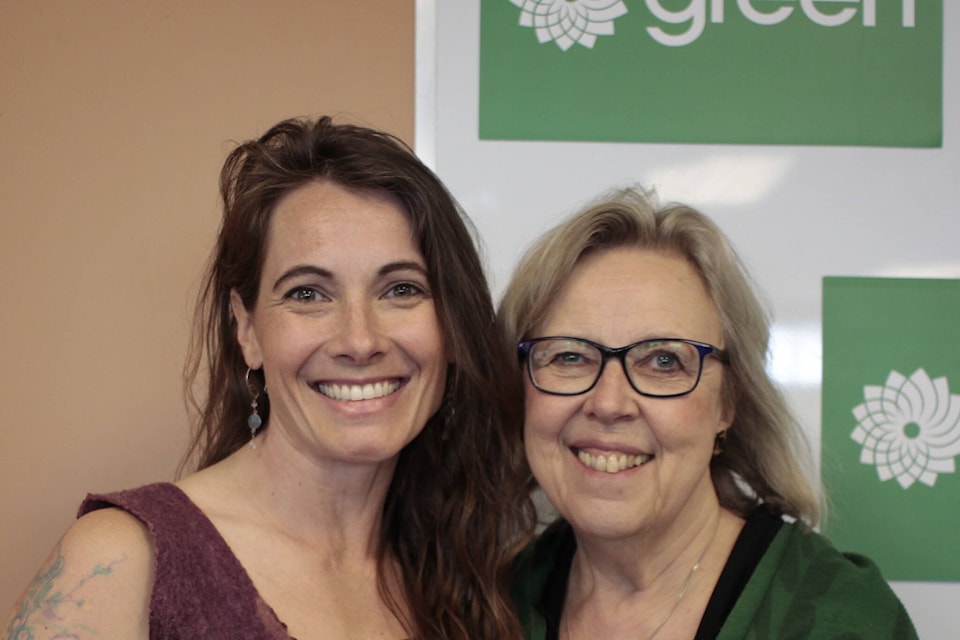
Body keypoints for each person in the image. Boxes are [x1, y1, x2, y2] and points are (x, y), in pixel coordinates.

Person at [4, 116, 534, 640]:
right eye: (308, 293)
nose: (360, 340)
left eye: (401, 290)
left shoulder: (462, 576)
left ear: (452, 323)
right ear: (247, 328)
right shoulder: (122, 560)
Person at [500, 187, 917, 639]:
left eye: (664, 361)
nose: (608, 403)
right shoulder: (494, 603)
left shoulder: (835, 616)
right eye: (568, 357)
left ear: (728, 403)